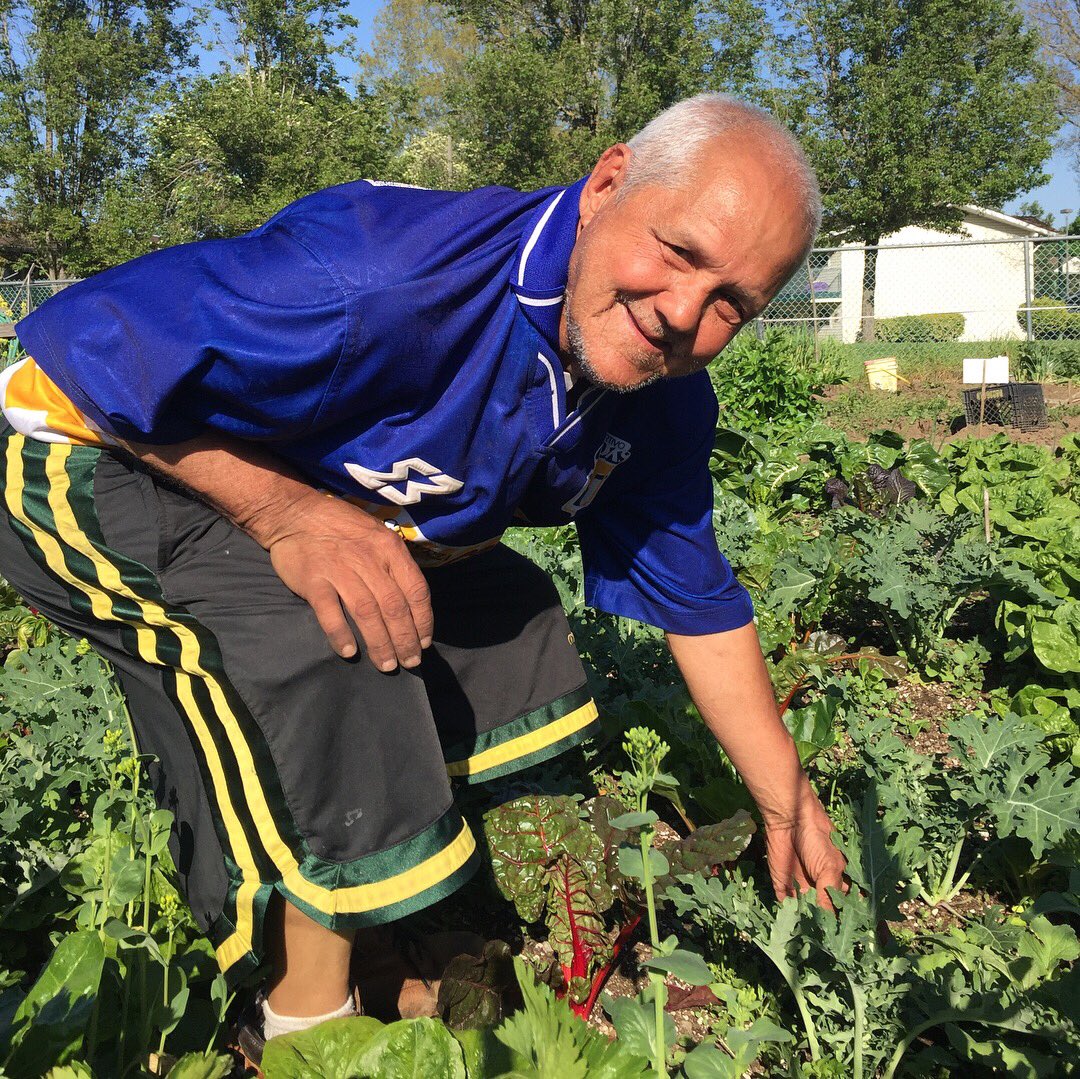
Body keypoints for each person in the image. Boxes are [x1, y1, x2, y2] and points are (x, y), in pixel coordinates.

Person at [0, 92, 846, 1053]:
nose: (683, 314)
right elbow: (75, 353)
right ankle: (306, 1027)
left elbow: (696, 597)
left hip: (282, 483)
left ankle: (373, 933)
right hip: (85, 457)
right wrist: (287, 513)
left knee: (510, 617)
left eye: (733, 301)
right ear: (608, 182)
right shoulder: (381, 276)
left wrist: (786, 795)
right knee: (342, 646)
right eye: (681, 252)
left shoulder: (662, 395)